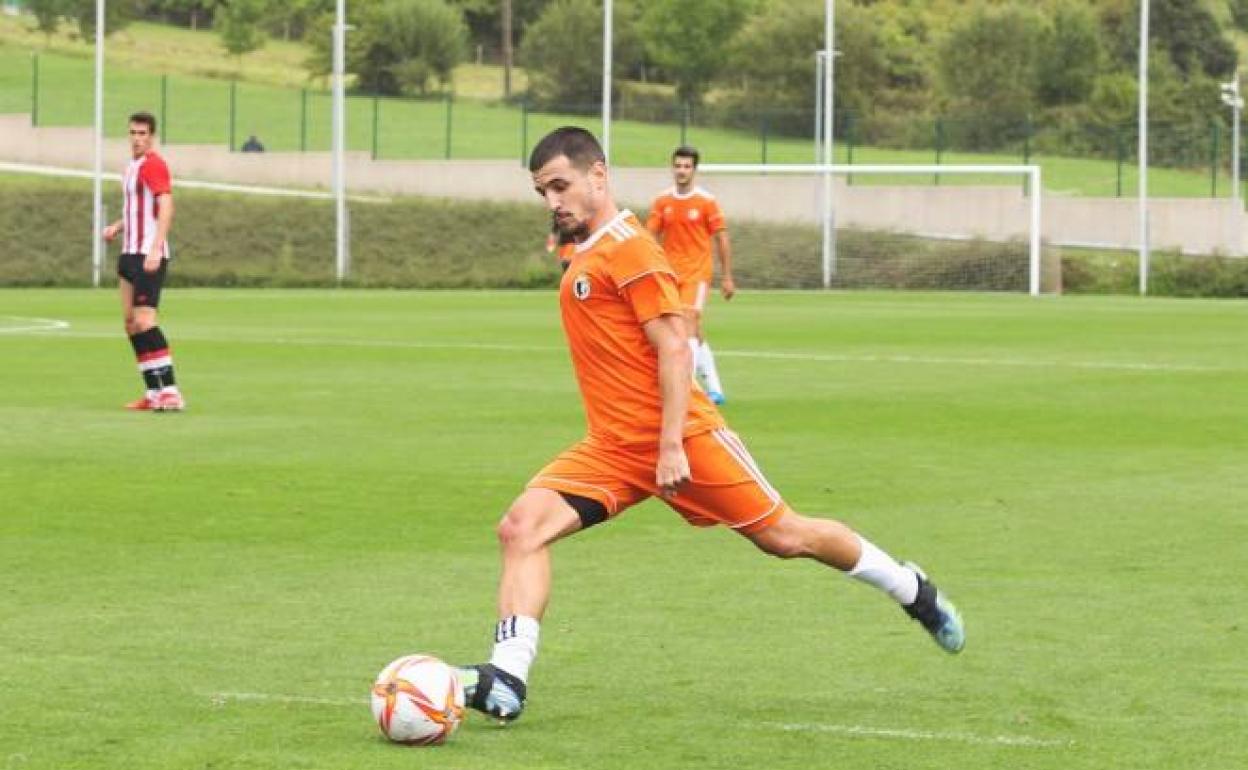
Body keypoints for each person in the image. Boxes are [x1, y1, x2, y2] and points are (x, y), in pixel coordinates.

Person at [457, 127, 964, 724]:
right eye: (542, 192)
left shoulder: (632, 249)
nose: (553, 202)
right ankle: (506, 679)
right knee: (521, 528)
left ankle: (911, 590)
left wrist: (672, 444)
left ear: (599, 175)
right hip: (613, 449)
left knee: (785, 537)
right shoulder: (588, 251)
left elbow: (675, 350)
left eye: (561, 186)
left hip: (685, 439)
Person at [101, 111, 184, 412]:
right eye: (133, 133)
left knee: (146, 320)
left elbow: (166, 205)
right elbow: (137, 209)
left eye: (142, 133)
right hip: (129, 254)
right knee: (131, 324)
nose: (136, 138)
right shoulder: (131, 167)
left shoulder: (154, 165)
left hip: (148, 255)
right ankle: (152, 394)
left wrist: (155, 247)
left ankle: (171, 392)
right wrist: (116, 226)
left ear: (152, 136)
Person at [646, 146, 733, 405]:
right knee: (690, 329)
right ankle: (715, 389)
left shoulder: (706, 202)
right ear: (672, 168)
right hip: (670, 276)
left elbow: (722, 238)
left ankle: (686, 387)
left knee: (686, 326)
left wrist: (727, 276)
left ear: (694, 170)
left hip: (697, 274)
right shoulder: (663, 202)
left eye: (687, 166)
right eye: (678, 166)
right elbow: (649, 236)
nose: (682, 171)